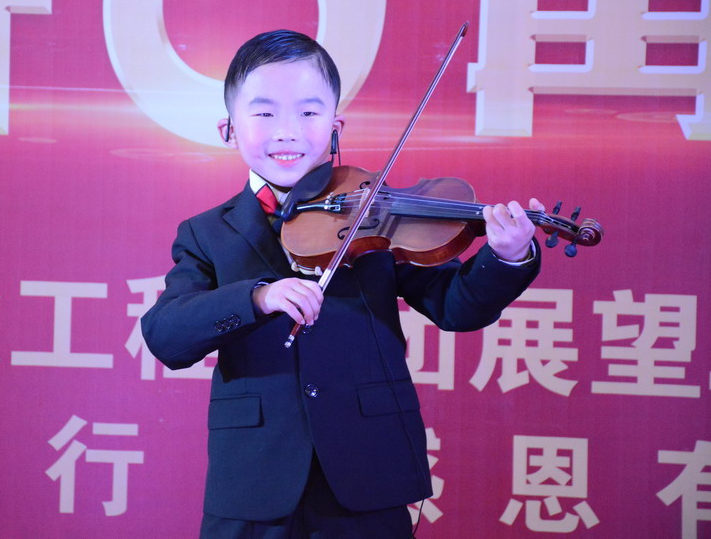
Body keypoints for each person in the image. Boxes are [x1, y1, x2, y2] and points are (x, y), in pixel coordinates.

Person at [141, 30, 543, 538]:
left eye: (308, 112)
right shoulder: (206, 233)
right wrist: (258, 297)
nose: (287, 132)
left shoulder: (375, 214)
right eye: (264, 113)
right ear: (229, 129)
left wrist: (506, 256)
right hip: (253, 481)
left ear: (335, 127)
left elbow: (456, 305)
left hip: (367, 471)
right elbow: (167, 335)